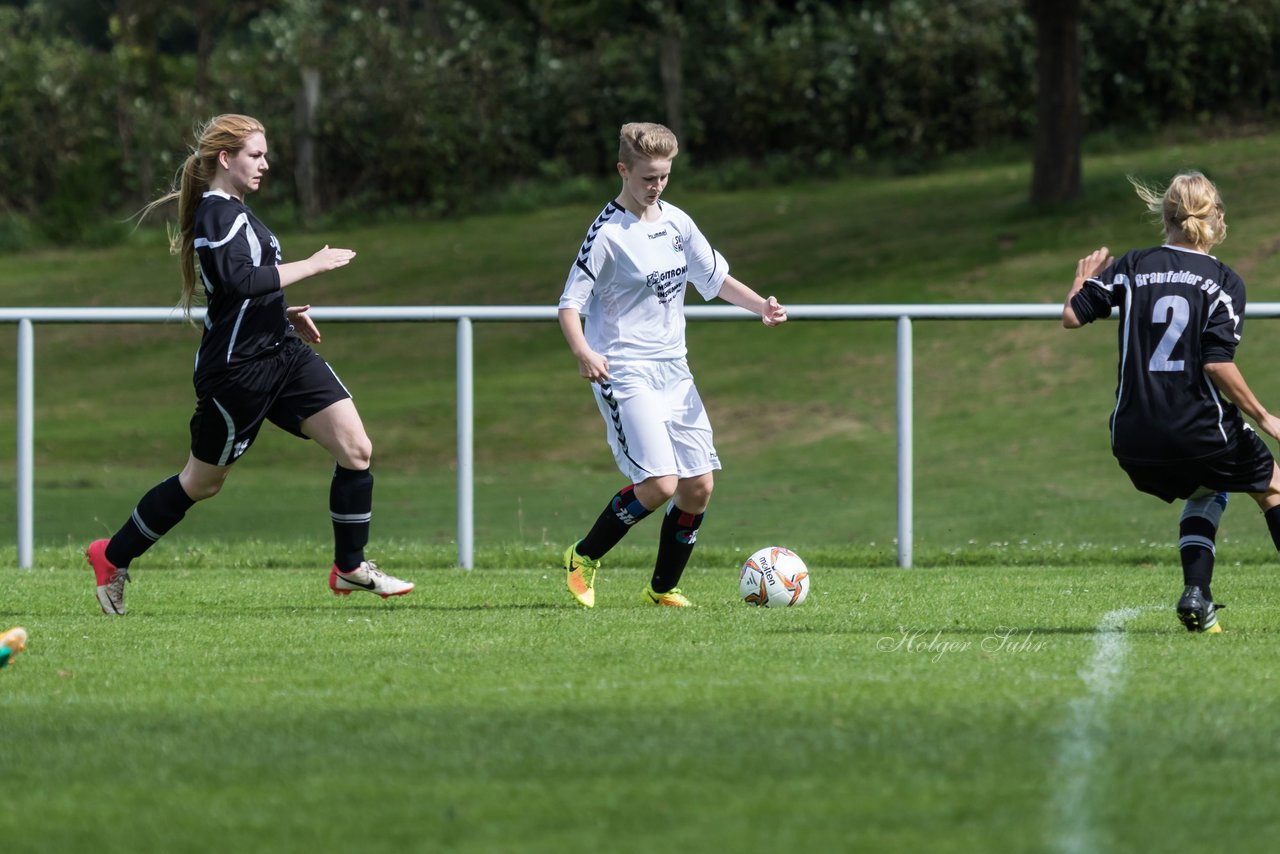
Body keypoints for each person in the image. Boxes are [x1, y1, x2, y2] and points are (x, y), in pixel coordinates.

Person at [86, 113, 413, 615]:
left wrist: (279, 313)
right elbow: (237, 281)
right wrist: (311, 265)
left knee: (356, 447)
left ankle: (350, 567)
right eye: (255, 155)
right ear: (226, 159)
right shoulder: (217, 212)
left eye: (264, 155)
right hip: (236, 372)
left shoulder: (238, 211)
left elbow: (241, 289)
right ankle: (112, 555)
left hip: (282, 354)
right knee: (202, 482)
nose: (265, 164)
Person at [557, 121, 788, 608]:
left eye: (663, 176)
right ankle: (583, 556)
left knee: (698, 486)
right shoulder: (606, 234)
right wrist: (583, 352)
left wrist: (760, 307)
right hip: (623, 369)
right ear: (623, 170)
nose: (657, 186)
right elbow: (569, 305)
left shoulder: (677, 223)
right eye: (647, 177)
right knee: (660, 482)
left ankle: (661, 590)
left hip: (674, 371)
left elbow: (715, 278)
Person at [1062, 170, 1280, 633]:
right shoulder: (1223, 280)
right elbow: (1217, 365)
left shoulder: (1133, 265)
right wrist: (1264, 417)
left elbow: (1072, 319)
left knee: (1206, 488)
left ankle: (1197, 597)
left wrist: (1081, 283)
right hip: (1197, 427)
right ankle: (1196, 592)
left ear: (1166, 217)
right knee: (1273, 487)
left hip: (1133, 438)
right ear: (1216, 220)